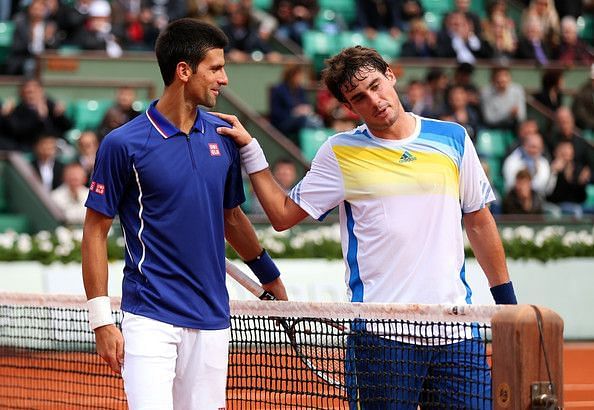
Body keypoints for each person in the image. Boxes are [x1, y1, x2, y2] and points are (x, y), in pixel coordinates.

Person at [214, 45, 517, 408]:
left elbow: (479, 223)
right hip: (380, 334)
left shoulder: (452, 138)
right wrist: (251, 150)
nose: (374, 100)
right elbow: (281, 216)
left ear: (390, 75)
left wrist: (506, 309)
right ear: (349, 108)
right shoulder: (339, 151)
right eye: (359, 97)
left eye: (376, 85)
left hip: (455, 329)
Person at [81, 19, 287, 410]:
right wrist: (101, 321)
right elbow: (95, 231)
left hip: (213, 318)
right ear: (184, 71)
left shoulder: (225, 137)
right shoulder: (122, 144)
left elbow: (232, 218)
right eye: (216, 67)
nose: (224, 79)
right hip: (150, 317)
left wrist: (268, 275)